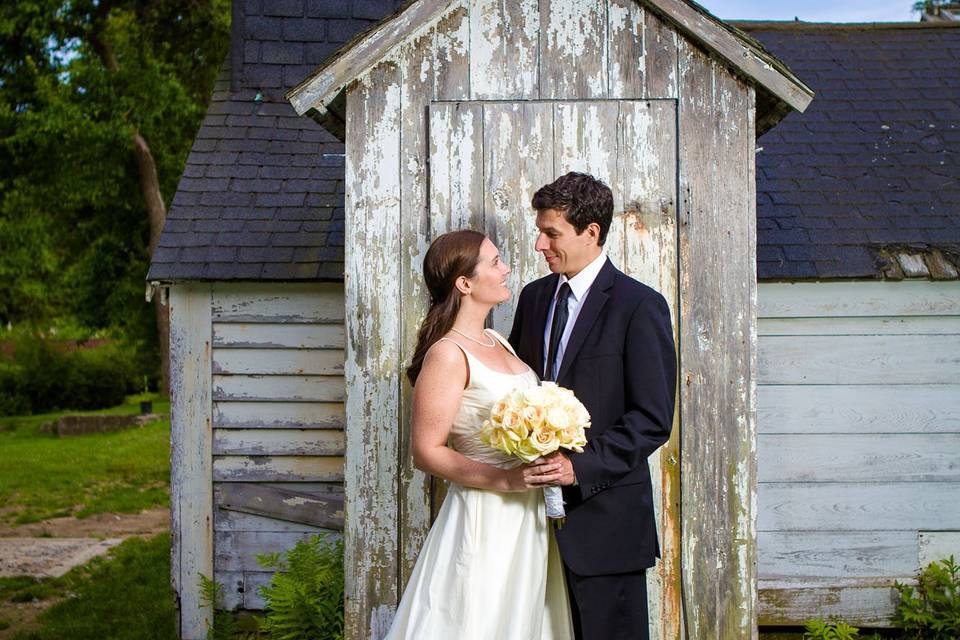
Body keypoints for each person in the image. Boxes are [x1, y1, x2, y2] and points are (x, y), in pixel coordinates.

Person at [509, 172, 678, 640]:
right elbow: (523, 393)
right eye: (540, 232)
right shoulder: (534, 298)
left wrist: (576, 468)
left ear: (591, 233)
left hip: (608, 526)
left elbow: (652, 419)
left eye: (552, 233)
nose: (541, 244)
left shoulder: (640, 306)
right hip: (530, 526)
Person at [384, 230, 574, 640]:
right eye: (494, 262)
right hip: (484, 518)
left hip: (529, 518)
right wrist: (504, 479)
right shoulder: (447, 354)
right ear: (464, 283)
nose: (506, 269)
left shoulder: (496, 341)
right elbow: (426, 451)